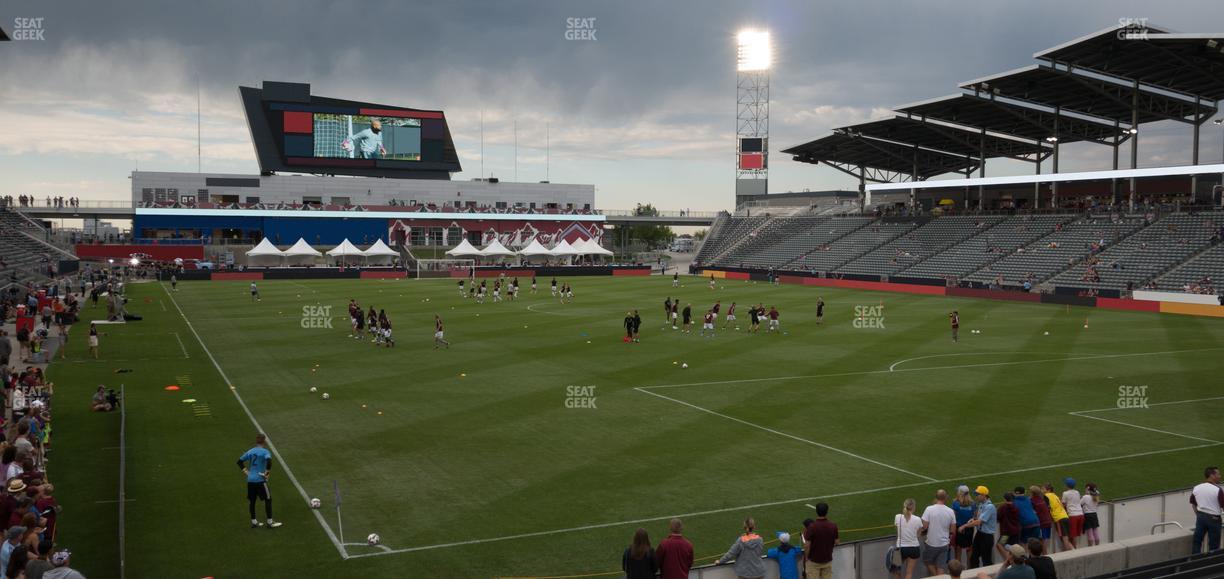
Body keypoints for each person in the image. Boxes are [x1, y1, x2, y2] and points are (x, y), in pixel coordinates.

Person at [236, 433, 282, 528]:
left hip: (250, 480)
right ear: (264, 441)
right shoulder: (265, 452)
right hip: (260, 480)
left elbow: (239, 462)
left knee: (252, 501)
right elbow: (269, 462)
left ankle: (254, 522)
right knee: (268, 499)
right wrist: (266, 474)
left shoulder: (250, 451)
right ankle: (270, 522)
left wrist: (247, 472)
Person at [921, 489, 957, 576]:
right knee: (941, 566)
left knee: (928, 562)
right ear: (946, 498)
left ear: (936, 497)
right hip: (944, 544)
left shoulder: (929, 509)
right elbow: (953, 530)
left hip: (931, 543)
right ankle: (938, 577)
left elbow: (924, 526)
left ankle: (935, 576)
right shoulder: (950, 511)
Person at [961, 485, 996, 569]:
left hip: (987, 536)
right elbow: (977, 518)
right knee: (974, 557)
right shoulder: (981, 504)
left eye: (978, 494)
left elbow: (980, 521)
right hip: (980, 534)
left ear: (984, 495)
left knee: (986, 560)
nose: (976, 496)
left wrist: (965, 526)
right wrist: (972, 519)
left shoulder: (989, 507)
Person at [1191, 466, 1223, 554]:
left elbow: (1193, 503)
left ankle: (1194, 562)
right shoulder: (1217, 490)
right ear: (1211, 475)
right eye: (1218, 474)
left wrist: (1198, 515)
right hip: (1214, 519)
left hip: (1201, 517)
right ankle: (1210, 563)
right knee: (1214, 546)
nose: (1220, 476)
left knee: (1197, 541)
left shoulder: (1197, 487)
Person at [803, 502, 838, 579]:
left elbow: (807, 545)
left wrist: (806, 558)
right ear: (827, 511)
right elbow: (837, 542)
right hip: (827, 560)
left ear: (816, 511)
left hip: (814, 561)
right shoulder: (833, 525)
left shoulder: (811, 527)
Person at [893, 498, 923, 579]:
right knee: (909, 572)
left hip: (899, 548)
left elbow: (897, 533)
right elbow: (918, 534)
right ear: (914, 507)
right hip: (914, 548)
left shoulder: (897, 517)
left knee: (896, 571)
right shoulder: (918, 519)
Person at [1043, 483, 1073, 551]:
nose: (1042, 490)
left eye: (1043, 488)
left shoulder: (1046, 496)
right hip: (1065, 516)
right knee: (1066, 537)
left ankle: (1069, 553)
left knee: (1064, 537)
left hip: (1059, 518)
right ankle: (1072, 550)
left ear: (1048, 490)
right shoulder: (1055, 495)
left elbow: (1046, 507)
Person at [950, 485, 976, 565]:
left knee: (958, 549)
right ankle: (969, 568)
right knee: (969, 548)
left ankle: (958, 569)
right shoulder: (973, 504)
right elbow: (975, 517)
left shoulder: (955, 503)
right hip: (969, 528)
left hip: (958, 529)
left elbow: (952, 518)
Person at [1029, 486, 1054, 553]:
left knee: (1041, 541)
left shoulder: (1032, 501)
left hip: (1042, 523)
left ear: (1032, 493)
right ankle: (1045, 555)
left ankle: (1045, 555)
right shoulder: (1042, 499)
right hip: (1047, 521)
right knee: (1043, 541)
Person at [997, 492, 1022, 557]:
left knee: (999, 545)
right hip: (1016, 531)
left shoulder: (1002, 507)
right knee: (1015, 546)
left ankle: (1008, 559)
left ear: (1005, 499)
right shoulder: (1016, 507)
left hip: (1006, 533)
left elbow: (998, 517)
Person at [1062, 478, 1083, 549]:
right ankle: (1075, 548)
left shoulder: (1065, 493)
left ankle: (1075, 550)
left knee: (1073, 535)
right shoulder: (1077, 492)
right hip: (1080, 514)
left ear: (1067, 485)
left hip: (1073, 515)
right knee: (1076, 535)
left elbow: (1063, 504)